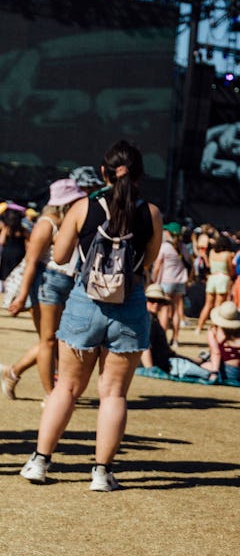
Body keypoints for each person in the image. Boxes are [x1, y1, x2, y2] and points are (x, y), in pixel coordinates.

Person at [19, 140, 162, 490]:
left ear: (103, 172)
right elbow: (150, 261)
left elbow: (63, 255)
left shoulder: (84, 206)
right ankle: (101, 472)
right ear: (141, 175)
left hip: (86, 303)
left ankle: (40, 461)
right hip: (128, 306)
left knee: (66, 387)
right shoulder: (151, 213)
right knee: (113, 393)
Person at [2, 178, 87, 400]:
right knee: (49, 340)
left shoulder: (70, 221)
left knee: (54, 340)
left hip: (66, 283)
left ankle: (13, 372)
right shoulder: (45, 224)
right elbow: (31, 263)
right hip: (47, 284)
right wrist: (21, 296)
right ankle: (51, 395)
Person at [142, 284, 216, 381]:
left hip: (168, 359)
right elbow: (144, 346)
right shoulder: (149, 320)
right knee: (207, 374)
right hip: (164, 364)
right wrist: (150, 370)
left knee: (202, 366)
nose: (156, 304)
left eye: (159, 301)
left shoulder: (152, 318)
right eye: (152, 300)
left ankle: (199, 360)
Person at [152, 223, 188, 349]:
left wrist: (153, 281)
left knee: (164, 310)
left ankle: (163, 339)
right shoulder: (183, 247)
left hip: (166, 281)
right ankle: (176, 339)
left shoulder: (165, 247)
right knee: (177, 310)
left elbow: (157, 266)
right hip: (180, 281)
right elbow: (189, 262)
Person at [206, 300, 240, 382]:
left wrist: (214, 373)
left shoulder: (214, 331)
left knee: (203, 366)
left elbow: (216, 353)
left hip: (230, 372)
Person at [195, 233, 235, 333]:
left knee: (207, 305)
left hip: (212, 278)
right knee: (218, 305)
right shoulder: (228, 255)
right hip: (223, 278)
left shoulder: (212, 252)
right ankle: (215, 327)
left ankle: (199, 327)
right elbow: (231, 270)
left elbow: (208, 265)